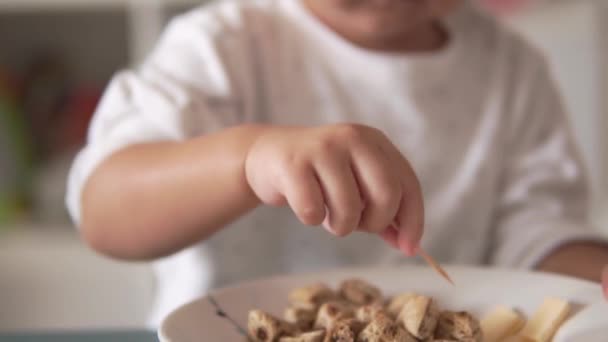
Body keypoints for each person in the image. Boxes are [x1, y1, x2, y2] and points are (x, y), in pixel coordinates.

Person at [66, 0, 608, 325]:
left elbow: (539, 233)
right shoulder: (222, 47)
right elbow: (104, 208)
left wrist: (593, 273)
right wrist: (247, 159)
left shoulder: (512, 71)